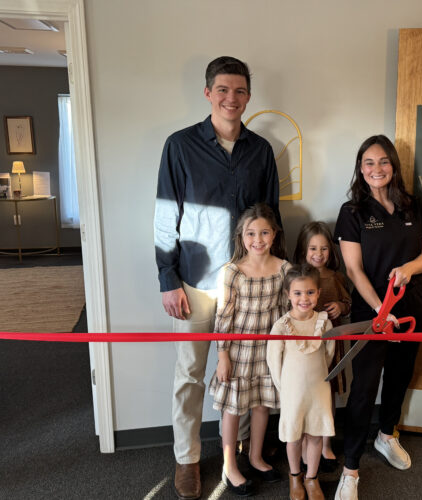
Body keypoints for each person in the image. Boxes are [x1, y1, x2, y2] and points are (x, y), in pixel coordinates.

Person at [154, 56, 281, 500]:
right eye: (223, 89)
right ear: (208, 93)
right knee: (190, 374)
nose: (232, 98)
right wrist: (168, 278)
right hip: (195, 281)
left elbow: (271, 216)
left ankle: (241, 450)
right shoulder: (180, 146)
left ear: (249, 96)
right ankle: (186, 458)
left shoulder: (261, 151)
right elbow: (166, 216)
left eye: (240, 91)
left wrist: (277, 278)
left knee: (245, 372)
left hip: (249, 284)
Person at [332, 135, 422, 500]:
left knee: (400, 372)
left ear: (393, 165)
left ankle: (386, 434)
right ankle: (350, 468)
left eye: (383, 161)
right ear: (360, 170)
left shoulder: (413, 206)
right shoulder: (352, 212)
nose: (377, 169)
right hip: (371, 309)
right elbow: (353, 270)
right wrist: (381, 309)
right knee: (364, 387)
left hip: (411, 304)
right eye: (369, 163)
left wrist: (408, 269)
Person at [209, 204, 289, 497]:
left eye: (264, 233)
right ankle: (229, 464)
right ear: (241, 236)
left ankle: (255, 456)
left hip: (269, 351)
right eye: (251, 233)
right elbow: (223, 317)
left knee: (262, 405)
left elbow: (287, 312)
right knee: (232, 408)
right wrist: (222, 355)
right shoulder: (232, 272)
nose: (258, 239)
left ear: (274, 234)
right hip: (238, 352)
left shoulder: (284, 269)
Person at [267, 263, 336, 500]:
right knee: (294, 436)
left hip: (318, 388)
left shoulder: (324, 323)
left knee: (316, 435)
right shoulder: (281, 326)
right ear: (288, 295)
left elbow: (328, 354)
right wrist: (285, 389)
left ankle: (312, 478)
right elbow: (274, 362)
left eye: (310, 292)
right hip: (292, 391)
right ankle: (295, 476)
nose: (304, 298)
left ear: (318, 293)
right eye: (297, 293)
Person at [293, 221, 351, 471]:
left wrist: (340, 306)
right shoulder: (296, 277)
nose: (319, 254)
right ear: (303, 250)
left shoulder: (336, 277)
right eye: (313, 248)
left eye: (324, 248)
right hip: (304, 348)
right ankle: (305, 442)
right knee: (305, 395)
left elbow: (348, 303)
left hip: (331, 346)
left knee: (328, 394)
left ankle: (326, 443)